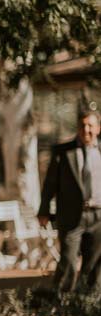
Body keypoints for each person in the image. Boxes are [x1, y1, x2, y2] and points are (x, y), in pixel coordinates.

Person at [38, 111, 101, 295]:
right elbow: (50, 184)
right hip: (72, 215)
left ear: (98, 128)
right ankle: (60, 300)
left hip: (98, 215)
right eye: (82, 125)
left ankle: (87, 304)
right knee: (68, 260)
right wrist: (43, 210)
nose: (86, 130)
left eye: (90, 125)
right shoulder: (63, 151)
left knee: (94, 263)